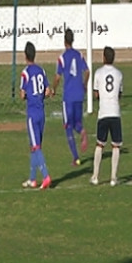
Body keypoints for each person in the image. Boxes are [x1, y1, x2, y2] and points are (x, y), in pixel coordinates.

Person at [51, 28, 90, 167]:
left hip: (68, 96)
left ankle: (76, 157)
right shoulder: (79, 55)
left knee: (68, 126)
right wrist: (84, 85)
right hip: (79, 94)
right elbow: (87, 71)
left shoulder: (62, 58)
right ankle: (83, 132)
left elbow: (57, 77)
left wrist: (53, 89)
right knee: (77, 124)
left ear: (64, 41)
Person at [20, 41, 53, 190]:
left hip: (32, 114)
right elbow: (47, 91)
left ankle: (46, 176)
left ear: (25, 56)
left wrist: (27, 95)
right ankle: (33, 179)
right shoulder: (42, 71)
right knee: (34, 147)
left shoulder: (25, 73)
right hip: (42, 112)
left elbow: (22, 95)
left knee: (36, 147)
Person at [91, 46, 123, 187]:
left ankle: (96, 176)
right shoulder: (119, 74)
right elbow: (120, 93)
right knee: (115, 145)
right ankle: (113, 178)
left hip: (103, 113)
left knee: (100, 144)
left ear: (103, 57)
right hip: (115, 112)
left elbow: (96, 94)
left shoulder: (98, 73)